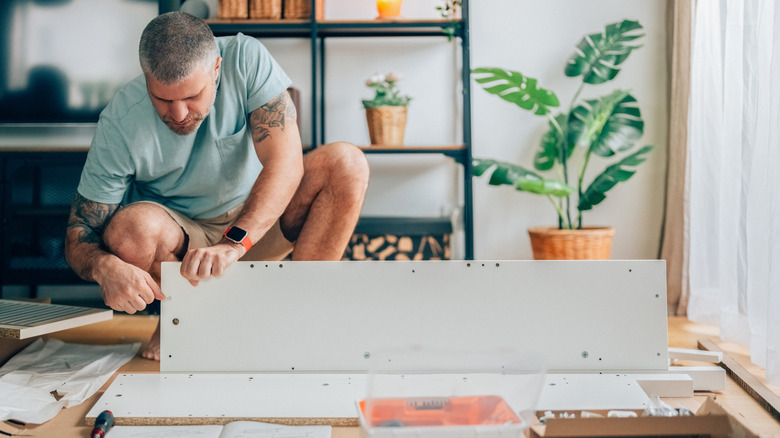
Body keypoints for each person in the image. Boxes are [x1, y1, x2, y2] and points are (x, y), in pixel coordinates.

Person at [64, 12, 369, 361]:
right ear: (146, 78)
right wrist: (105, 267)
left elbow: (286, 163)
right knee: (129, 231)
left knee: (347, 162)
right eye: (163, 100)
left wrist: (232, 244)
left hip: (256, 225)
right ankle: (182, 317)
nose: (178, 114)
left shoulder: (246, 59)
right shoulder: (119, 120)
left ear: (216, 69)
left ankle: (299, 317)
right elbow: (79, 232)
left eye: (192, 96)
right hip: (181, 246)